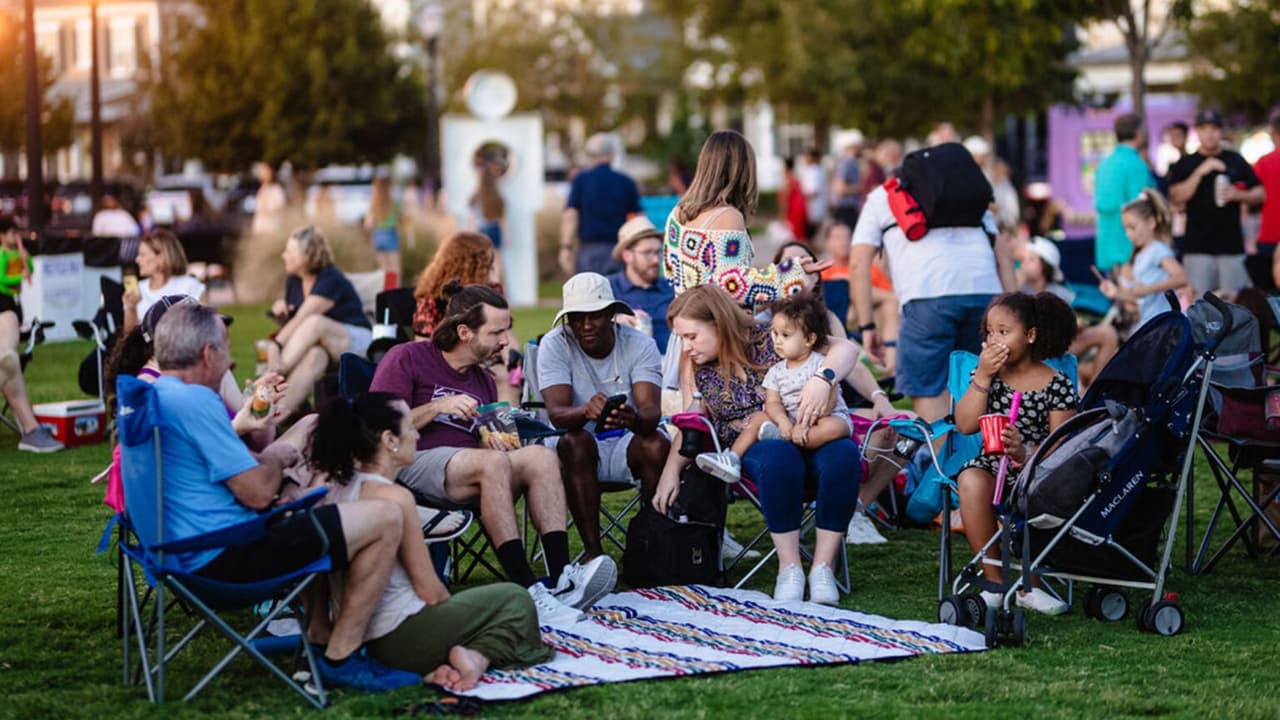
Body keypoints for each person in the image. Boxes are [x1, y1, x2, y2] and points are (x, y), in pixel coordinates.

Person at [143, 302, 419, 692]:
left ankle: (320, 634)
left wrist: (269, 456)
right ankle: (342, 656)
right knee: (384, 518)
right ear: (207, 354)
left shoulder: (156, 396)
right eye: (225, 350)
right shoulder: (194, 402)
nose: (229, 363)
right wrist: (282, 457)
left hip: (179, 553)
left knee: (310, 500)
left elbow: (231, 470)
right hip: (222, 559)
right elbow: (257, 492)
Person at [369, 284, 614, 624]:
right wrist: (439, 406)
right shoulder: (407, 357)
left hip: (472, 469)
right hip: (413, 462)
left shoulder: (483, 380)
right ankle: (527, 589)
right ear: (465, 332)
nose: (505, 341)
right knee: (493, 463)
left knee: (540, 456)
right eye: (497, 331)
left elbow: (484, 445)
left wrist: (497, 440)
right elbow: (374, 426)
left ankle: (559, 580)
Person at [309, 393, 553, 691]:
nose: (416, 433)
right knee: (515, 600)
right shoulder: (394, 498)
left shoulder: (336, 488)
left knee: (484, 611)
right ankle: (477, 653)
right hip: (400, 637)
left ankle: (473, 656)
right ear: (389, 440)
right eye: (410, 426)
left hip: (358, 637)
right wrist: (455, 621)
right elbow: (431, 592)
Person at [655, 285, 880, 605]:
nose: (685, 347)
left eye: (691, 336)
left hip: (812, 430)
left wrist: (823, 378)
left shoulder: (774, 336)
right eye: (681, 339)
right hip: (756, 447)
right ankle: (790, 568)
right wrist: (671, 470)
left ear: (718, 323)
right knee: (778, 457)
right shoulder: (699, 368)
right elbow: (694, 422)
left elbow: (845, 349)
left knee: (843, 455)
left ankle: (823, 568)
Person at [953, 292, 1078, 615]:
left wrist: (1025, 451)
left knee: (1034, 490)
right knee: (970, 479)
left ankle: (1029, 586)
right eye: (990, 332)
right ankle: (995, 581)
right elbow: (965, 424)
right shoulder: (987, 377)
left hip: (1038, 469)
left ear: (1030, 335)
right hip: (992, 464)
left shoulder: (1057, 383)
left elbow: (1061, 445)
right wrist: (981, 377)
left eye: (1003, 332)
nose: (994, 339)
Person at [851, 168, 1004, 423]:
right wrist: (1010, 314)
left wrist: (867, 326)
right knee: (982, 381)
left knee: (925, 388)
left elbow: (858, 264)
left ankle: (945, 459)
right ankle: (983, 459)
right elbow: (1003, 257)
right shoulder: (965, 192)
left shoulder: (883, 195)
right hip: (986, 293)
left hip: (927, 296)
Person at [538, 273, 670, 560]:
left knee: (655, 443)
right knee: (576, 441)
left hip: (625, 440)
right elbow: (557, 415)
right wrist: (586, 410)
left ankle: (648, 542)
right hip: (573, 447)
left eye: (594, 316)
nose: (585, 325)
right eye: (576, 317)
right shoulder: (554, 343)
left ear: (611, 314)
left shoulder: (639, 344)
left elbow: (651, 412)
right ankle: (593, 553)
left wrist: (631, 419)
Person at [695, 292, 854, 485]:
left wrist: (805, 426)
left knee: (836, 426)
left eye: (785, 335)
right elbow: (772, 402)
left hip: (819, 420)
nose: (777, 341)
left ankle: (797, 440)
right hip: (789, 421)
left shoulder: (819, 364)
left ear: (809, 339)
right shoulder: (776, 371)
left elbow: (829, 401)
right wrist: (783, 422)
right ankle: (731, 458)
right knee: (758, 418)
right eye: (774, 333)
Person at [663, 130, 824, 307]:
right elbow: (733, 285)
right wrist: (791, 274)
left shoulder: (678, 211)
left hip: (684, 325)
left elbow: (670, 272)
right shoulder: (727, 216)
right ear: (742, 171)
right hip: (717, 329)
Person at [267, 226, 372, 419]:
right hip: (323, 344)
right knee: (315, 357)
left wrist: (275, 346)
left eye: (290, 251)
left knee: (315, 322)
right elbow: (296, 324)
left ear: (308, 255)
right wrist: (282, 310)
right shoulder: (294, 280)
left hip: (355, 340)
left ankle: (271, 378)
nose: (284, 255)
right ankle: (272, 417)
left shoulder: (330, 278)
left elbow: (303, 319)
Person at [1168, 109, 1264, 296]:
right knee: (1199, 308)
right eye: (1204, 129)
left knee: (1235, 306)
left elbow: (1260, 193)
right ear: (1198, 131)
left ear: (1220, 131)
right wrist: (1201, 171)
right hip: (1197, 248)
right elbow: (1176, 197)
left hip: (1232, 247)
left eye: (1214, 128)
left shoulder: (1234, 159)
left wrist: (1239, 195)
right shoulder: (1186, 163)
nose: (1209, 134)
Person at [1021, 237, 1117, 389]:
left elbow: (1066, 324)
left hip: (1061, 344)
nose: (1024, 264)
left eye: (1031, 259)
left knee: (1108, 333)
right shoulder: (1018, 289)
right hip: (1033, 348)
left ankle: (1094, 392)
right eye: (1024, 259)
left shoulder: (1061, 292)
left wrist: (1076, 324)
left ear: (1045, 266)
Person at [0, 220, 63, 452]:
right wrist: (17, 275)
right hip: (6, 301)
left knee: (8, 323)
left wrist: (26, 262)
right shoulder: (3, 255)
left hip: (8, 309)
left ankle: (5, 355)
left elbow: (30, 272)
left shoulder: (17, 253)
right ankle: (30, 429)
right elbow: (3, 279)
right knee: (6, 355)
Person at [1099, 190, 1189, 332]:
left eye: (1132, 227)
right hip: (1148, 324)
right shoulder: (1141, 256)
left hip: (1162, 325)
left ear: (1151, 222)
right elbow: (1139, 297)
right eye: (1126, 229)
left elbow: (1181, 278)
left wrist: (1148, 289)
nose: (1128, 234)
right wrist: (1115, 293)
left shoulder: (1158, 249)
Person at [560, 133, 641, 276]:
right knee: (615, 294)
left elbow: (571, 215)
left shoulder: (581, 180)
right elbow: (638, 218)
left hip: (588, 251)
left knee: (588, 295)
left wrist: (566, 247)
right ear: (611, 154)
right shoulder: (626, 181)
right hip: (617, 249)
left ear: (590, 155)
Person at [1093, 113, 1155, 274]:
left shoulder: (1104, 163)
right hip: (1130, 250)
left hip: (1106, 248)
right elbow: (1142, 206)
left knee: (1115, 297)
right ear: (1138, 133)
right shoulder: (1136, 164)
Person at [607, 216, 674, 352]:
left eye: (658, 252)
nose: (656, 260)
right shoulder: (607, 288)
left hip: (668, 366)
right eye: (647, 253)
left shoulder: (672, 288)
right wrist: (612, 323)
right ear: (627, 255)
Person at [122, 229, 206, 333]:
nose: (137, 260)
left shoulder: (188, 285)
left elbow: (205, 327)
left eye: (143, 255)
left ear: (161, 258)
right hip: (146, 348)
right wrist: (131, 308)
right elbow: (129, 338)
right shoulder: (138, 289)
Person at [470, 149, 507, 276]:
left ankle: (487, 286)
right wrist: (506, 236)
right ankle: (498, 286)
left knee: (484, 262)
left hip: (482, 228)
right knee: (497, 261)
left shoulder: (478, 195)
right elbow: (502, 218)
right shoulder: (497, 197)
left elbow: (470, 209)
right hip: (495, 227)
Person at [1254, 111, 1280, 289]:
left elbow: (1247, 193)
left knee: (1270, 296)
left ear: (1273, 133)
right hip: (1269, 236)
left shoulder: (1265, 162)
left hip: (1270, 235)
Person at [365, 176, 402, 282]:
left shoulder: (373, 204)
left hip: (378, 236)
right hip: (391, 236)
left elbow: (368, 224)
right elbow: (401, 220)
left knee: (384, 271)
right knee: (395, 269)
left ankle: (387, 293)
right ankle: (396, 293)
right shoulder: (394, 203)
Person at [830, 140, 862, 231]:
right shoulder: (847, 163)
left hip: (847, 208)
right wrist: (861, 188)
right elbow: (839, 188)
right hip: (846, 208)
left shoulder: (845, 162)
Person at [252, 162, 287, 238]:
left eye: (265, 171)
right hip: (261, 227)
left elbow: (280, 206)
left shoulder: (276, 189)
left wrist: (268, 211)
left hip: (271, 227)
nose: (263, 174)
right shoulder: (262, 188)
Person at [799, 147, 828, 239]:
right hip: (810, 205)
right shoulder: (810, 170)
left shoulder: (816, 171)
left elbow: (813, 191)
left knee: (810, 234)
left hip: (813, 206)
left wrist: (800, 198)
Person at [779, 157, 809, 242]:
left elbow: (785, 199)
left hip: (794, 211)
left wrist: (782, 216)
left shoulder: (788, 180)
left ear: (785, 167)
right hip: (799, 209)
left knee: (796, 237)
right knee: (799, 236)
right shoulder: (795, 178)